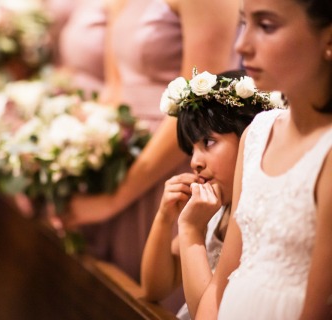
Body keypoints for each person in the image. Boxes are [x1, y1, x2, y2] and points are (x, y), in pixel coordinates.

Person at [62, 0, 241, 290]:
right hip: (123, 157)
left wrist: (112, 200)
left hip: (169, 160)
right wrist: (82, 156)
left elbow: (201, 101)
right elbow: (115, 89)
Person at [184, 0, 332, 318]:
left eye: (266, 26)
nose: (242, 45)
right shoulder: (258, 134)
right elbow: (223, 280)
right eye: (244, 23)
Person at [141, 69, 283, 319]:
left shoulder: (255, 216)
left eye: (208, 142)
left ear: (250, 137)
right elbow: (154, 289)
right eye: (191, 149)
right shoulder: (218, 210)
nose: (195, 161)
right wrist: (165, 218)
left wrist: (191, 231)